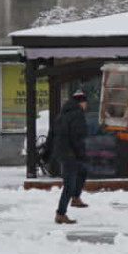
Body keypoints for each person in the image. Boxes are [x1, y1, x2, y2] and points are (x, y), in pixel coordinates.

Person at [53, 90, 91, 224]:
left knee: (82, 171)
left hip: (63, 152)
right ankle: (61, 213)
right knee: (69, 184)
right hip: (71, 153)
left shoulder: (63, 115)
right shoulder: (77, 115)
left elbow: (54, 134)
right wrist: (81, 153)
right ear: (81, 103)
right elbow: (77, 137)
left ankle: (75, 197)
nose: (86, 105)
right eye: (85, 102)